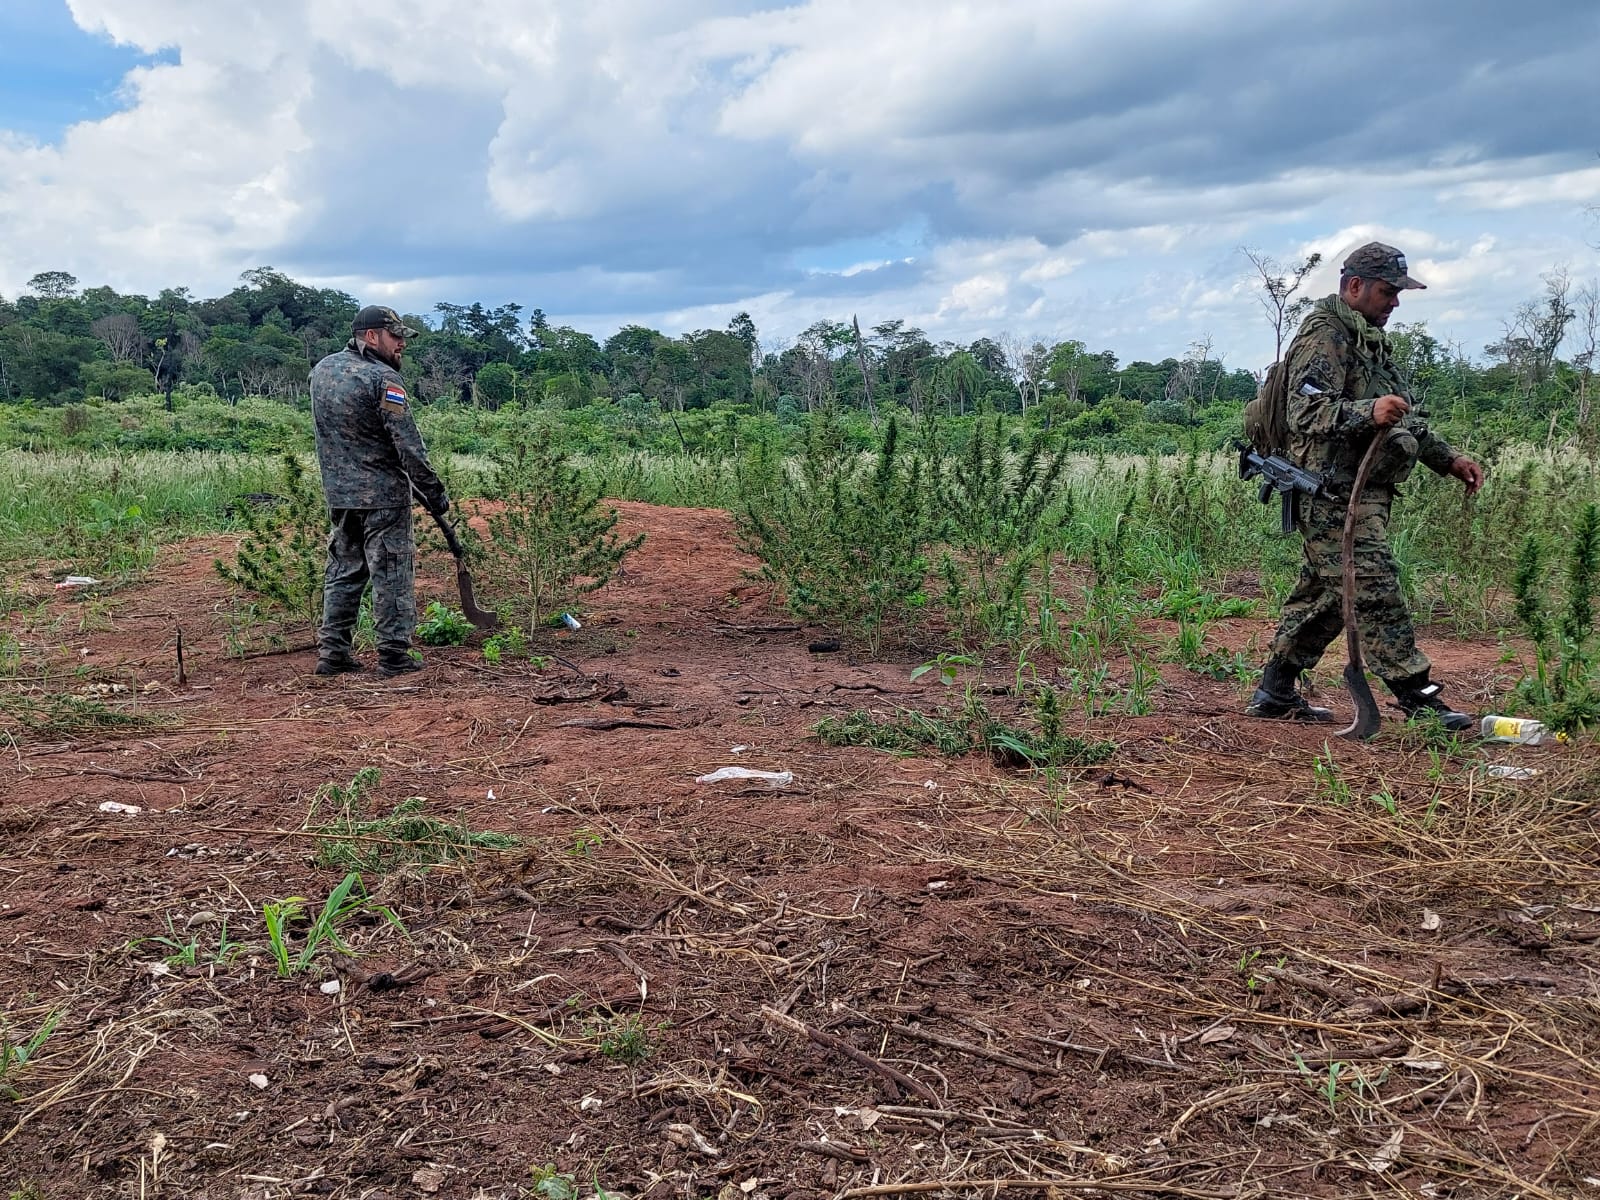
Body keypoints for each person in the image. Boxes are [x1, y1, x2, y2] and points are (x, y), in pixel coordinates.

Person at [1248, 242, 1485, 731]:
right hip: (1329, 493)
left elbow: (1405, 416)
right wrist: (1366, 412)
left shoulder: (1369, 340)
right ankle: (1418, 697)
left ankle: (1274, 691)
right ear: (1354, 286)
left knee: (1329, 598)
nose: (1395, 302)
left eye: (1398, 292)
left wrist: (1449, 460)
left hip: (1362, 491)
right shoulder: (1325, 336)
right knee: (1374, 589)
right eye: (1387, 291)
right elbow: (1305, 413)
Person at [309, 304, 450, 678]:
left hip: (339, 495)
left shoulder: (323, 370)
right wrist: (434, 494)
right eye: (396, 336)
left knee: (343, 570)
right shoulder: (384, 379)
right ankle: (393, 655)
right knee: (391, 573)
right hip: (384, 496)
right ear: (372, 336)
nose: (402, 343)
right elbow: (408, 446)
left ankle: (333, 653)